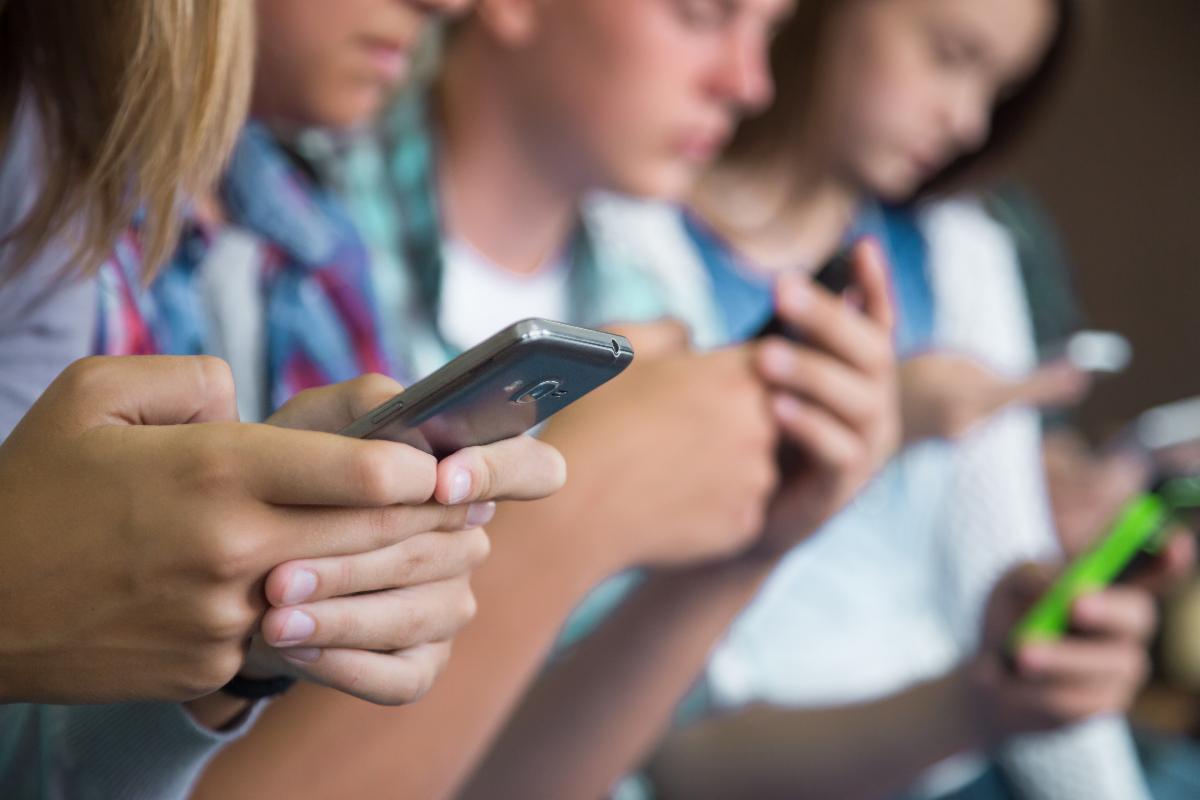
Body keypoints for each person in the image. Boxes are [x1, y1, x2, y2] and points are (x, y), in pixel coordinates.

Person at [194, 1, 898, 798]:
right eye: (701, 14)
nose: (750, 83)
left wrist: (744, 556)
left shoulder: (656, 306)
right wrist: (581, 499)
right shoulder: (262, 237)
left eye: (767, 33)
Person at [579, 0, 1188, 797]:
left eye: (997, 88)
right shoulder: (626, 241)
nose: (969, 122)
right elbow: (654, 697)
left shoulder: (965, 259)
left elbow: (1001, 566)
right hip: (765, 754)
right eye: (949, 55)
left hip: (963, 752)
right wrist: (887, 425)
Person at [0, 1, 564, 797]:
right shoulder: (42, 159)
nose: (448, 8)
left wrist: (243, 653)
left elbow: (37, 770)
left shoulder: (311, 233)